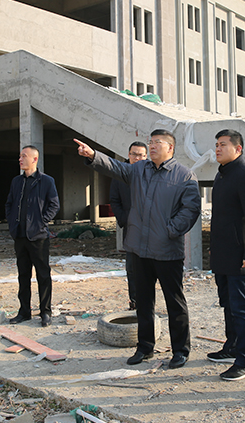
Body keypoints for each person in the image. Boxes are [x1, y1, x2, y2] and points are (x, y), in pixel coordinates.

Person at [74, 131, 200, 369]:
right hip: (139, 249)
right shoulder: (139, 169)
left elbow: (190, 209)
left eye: (157, 143)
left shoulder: (184, 175)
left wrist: (170, 231)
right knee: (143, 302)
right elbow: (115, 167)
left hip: (167, 250)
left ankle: (180, 351)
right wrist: (93, 155)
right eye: (150, 142)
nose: (152, 146)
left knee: (175, 303)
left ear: (170, 148)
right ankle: (144, 347)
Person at [208, 129, 245, 381]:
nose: (218, 149)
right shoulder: (222, 175)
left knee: (242, 308)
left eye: (223, 145)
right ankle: (231, 347)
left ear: (238, 149)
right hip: (223, 254)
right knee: (228, 304)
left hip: (241, 256)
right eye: (216, 145)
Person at [5, 145, 60, 327]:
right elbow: (9, 204)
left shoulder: (46, 181)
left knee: (43, 275)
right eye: (20, 156)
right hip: (20, 236)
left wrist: (41, 222)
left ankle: (45, 312)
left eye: (24, 156)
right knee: (23, 275)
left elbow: (54, 205)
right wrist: (12, 224)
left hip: (38, 237)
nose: (20, 159)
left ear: (34, 159)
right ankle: (24, 312)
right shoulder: (16, 182)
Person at [109, 141, 148, 310]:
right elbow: (114, 200)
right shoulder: (120, 175)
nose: (137, 158)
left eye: (141, 155)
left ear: (146, 157)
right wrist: (124, 219)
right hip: (131, 229)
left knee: (151, 268)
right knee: (132, 268)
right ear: (128, 155)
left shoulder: (153, 173)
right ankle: (135, 302)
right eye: (134, 154)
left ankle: (148, 303)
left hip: (151, 229)